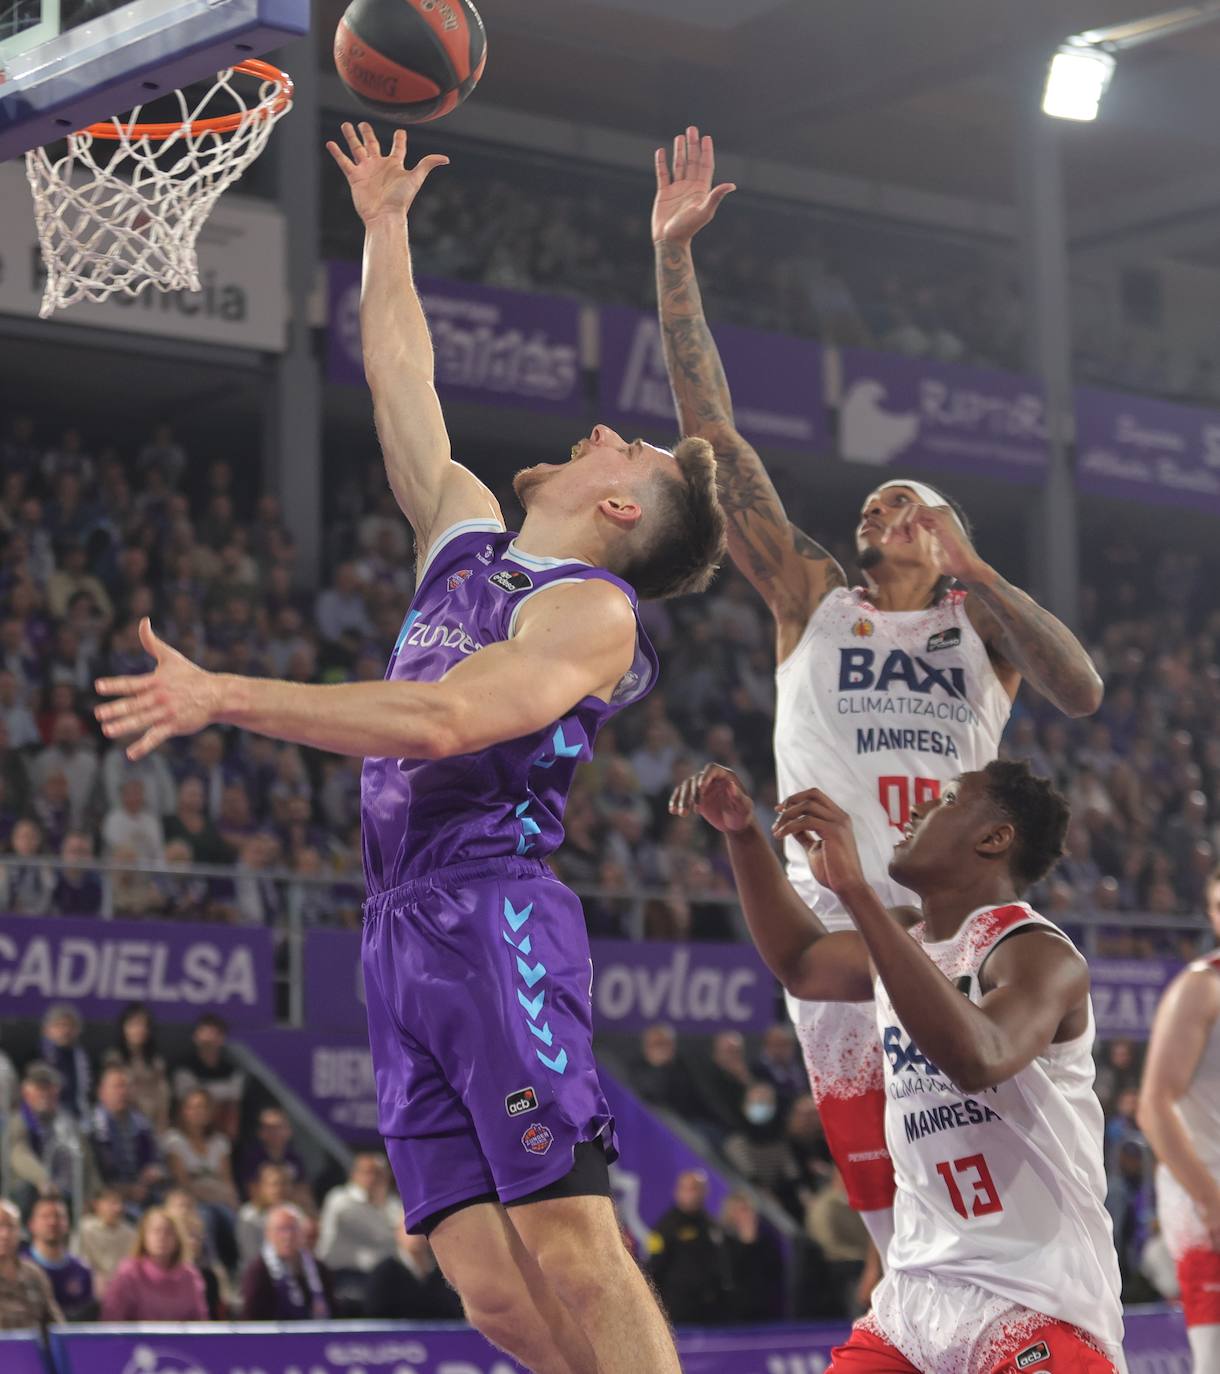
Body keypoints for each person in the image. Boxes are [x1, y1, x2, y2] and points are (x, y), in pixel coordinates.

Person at [93, 120, 726, 1374]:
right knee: (488, 1287)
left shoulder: (589, 613)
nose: (610, 429)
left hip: (490, 913)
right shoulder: (471, 539)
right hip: (395, 922)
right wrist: (384, 231)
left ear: (616, 509)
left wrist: (228, 692)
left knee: (570, 1245)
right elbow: (402, 388)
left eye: (630, 450)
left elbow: (440, 720)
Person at [652, 124, 1103, 1254]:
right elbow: (714, 443)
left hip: (957, 924)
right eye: (870, 511)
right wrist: (672, 258)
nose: (876, 517)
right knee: (885, 1226)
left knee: (977, 1201)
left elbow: (1080, 690)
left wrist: (976, 569)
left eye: (904, 506)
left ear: (945, 530)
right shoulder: (814, 599)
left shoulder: (983, 628)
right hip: (835, 918)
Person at [671, 760, 1124, 1371]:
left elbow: (979, 1057)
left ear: (993, 839)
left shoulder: (1038, 953)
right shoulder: (905, 943)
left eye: (946, 800)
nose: (916, 811)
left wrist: (856, 892)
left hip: (1036, 1296)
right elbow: (802, 962)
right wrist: (743, 835)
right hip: (914, 1301)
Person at [1137, 868, 1220, 1369]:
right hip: (1207, 1196)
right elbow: (1153, 1105)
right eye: (1217, 905)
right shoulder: (1201, 986)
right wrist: (1212, 1203)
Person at [161, 1088, 240, 1269]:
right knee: (205, 1217)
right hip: (192, 1199)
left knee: (234, 1217)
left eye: (203, 1107)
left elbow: (227, 1180)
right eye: (193, 1107)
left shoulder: (220, 1142)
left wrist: (233, 1201)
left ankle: (237, 1268)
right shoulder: (174, 1140)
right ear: (183, 1111)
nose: (198, 1112)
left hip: (219, 1198)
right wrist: (214, 1191)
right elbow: (183, 1182)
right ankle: (209, 1267)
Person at [646, 1170, 730, 1325]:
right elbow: (654, 1267)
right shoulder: (665, 1227)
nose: (691, 1194)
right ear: (677, 1192)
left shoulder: (711, 1225)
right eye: (686, 1188)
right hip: (676, 1308)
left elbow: (721, 1265)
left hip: (709, 1307)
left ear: (704, 1192)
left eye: (696, 1188)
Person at [101, 1207, 207, 1322]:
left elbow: (200, 1322)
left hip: (181, 1340)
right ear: (144, 1236)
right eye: (155, 1231)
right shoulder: (128, 1273)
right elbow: (112, 1320)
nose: (161, 1237)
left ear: (178, 1238)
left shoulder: (190, 1276)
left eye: (168, 1232)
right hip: (137, 1340)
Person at [240, 1204, 334, 1321]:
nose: (287, 1236)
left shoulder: (319, 1269)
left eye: (292, 1228)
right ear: (268, 1234)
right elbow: (251, 1319)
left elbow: (334, 1312)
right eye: (281, 1229)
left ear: (302, 1232)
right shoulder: (258, 1271)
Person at [88, 1064, 164, 1207]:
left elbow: (156, 1160)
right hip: (109, 1197)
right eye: (117, 1086)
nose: (123, 1092)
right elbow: (93, 1177)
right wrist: (124, 1190)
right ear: (101, 1092)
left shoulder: (141, 1124)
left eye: (127, 1086)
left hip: (143, 1191)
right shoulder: (91, 1128)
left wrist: (154, 1170)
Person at [170, 1014, 245, 1139]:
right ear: (195, 1037)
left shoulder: (233, 1072)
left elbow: (233, 1110)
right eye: (205, 1033)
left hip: (221, 1136)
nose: (209, 1039)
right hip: (190, 1136)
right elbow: (183, 1108)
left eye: (215, 1034)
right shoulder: (183, 1069)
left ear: (222, 1039)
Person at [22, 1196, 96, 1321]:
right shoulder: (20, 1268)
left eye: (58, 1216)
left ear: (68, 1224)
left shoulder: (82, 1270)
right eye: (45, 1216)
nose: (52, 1222)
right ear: (31, 1224)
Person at [365, 1228, 463, 1321]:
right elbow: (375, 1313)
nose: (415, 1235)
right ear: (397, 1233)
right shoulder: (384, 1271)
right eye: (408, 1229)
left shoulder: (442, 1270)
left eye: (419, 1229)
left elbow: (455, 1310)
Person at [107, 1002, 171, 1134]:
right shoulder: (113, 1059)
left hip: (154, 1123)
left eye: (144, 1025)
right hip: (123, 1124)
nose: (139, 1030)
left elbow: (163, 1097)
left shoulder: (156, 1062)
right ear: (124, 1028)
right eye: (134, 1025)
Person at [0, 1200, 62, 1331]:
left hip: (33, 1349)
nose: (4, 1234)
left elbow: (56, 1325)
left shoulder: (34, 1274)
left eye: (10, 1226)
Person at [238, 1106, 311, 1208]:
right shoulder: (253, 1158)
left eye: (279, 1127)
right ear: (261, 1132)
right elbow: (253, 1192)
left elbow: (304, 1191)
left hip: (292, 1208)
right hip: (262, 1210)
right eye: (269, 1128)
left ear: (288, 1131)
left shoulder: (295, 1158)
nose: (274, 1132)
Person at [75, 1189, 136, 1298]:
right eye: (111, 1203)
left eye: (119, 1203)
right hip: (93, 1286)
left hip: (123, 1287)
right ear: (97, 1205)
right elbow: (79, 1260)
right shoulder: (85, 1228)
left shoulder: (130, 1233)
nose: (117, 1208)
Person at [237, 1162, 292, 1269]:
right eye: (274, 1184)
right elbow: (251, 1255)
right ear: (261, 1187)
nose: (279, 1189)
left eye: (284, 1184)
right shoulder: (248, 1217)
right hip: (258, 1273)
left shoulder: (293, 1212)